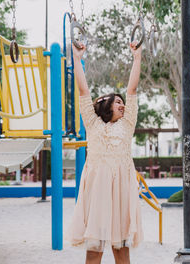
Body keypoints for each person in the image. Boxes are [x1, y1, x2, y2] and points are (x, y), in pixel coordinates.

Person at [67, 41, 143, 264]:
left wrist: (137, 57)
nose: (122, 105)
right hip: (97, 189)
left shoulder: (128, 124)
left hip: (121, 189)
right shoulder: (92, 123)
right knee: (94, 251)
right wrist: (77, 58)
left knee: (121, 250)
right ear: (106, 105)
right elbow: (83, 90)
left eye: (123, 103)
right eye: (117, 101)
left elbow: (132, 89)